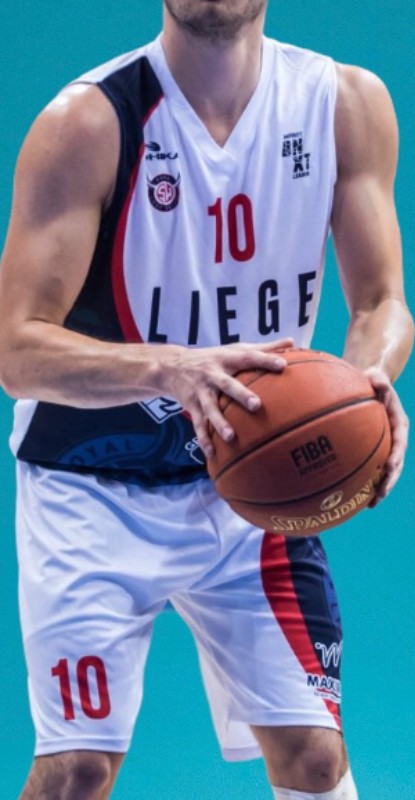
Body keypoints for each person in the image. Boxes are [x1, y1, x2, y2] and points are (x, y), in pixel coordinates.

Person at [0, 1, 413, 798]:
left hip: (249, 489)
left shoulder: (342, 104)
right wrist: (172, 369)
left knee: (315, 757)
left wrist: (368, 381)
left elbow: (380, 301)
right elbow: (16, 350)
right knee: (76, 772)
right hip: (90, 489)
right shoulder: (87, 123)